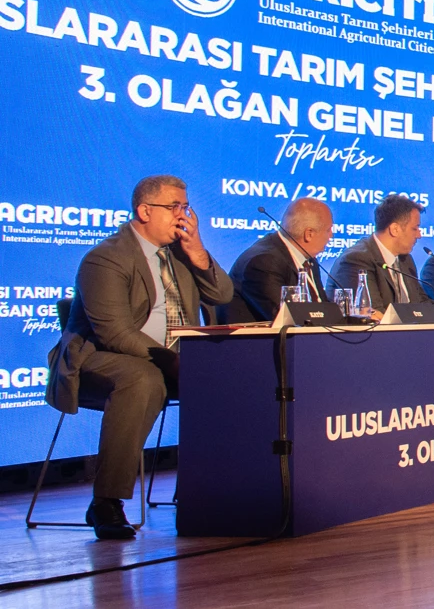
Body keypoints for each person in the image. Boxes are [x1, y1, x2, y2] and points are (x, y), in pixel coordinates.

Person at [45, 175, 233, 539]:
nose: (183, 216)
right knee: (141, 379)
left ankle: (207, 491)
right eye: (174, 207)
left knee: (242, 375)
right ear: (145, 211)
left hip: (169, 358)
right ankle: (106, 502)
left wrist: (197, 251)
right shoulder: (106, 258)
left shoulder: (180, 254)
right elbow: (114, 334)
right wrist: (171, 362)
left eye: (186, 207)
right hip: (97, 358)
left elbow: (222, 295)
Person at [222, 198, 333, 323]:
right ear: (309, 234)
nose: (331, 235)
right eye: (328, 230)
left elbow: (322, 307)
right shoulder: (264, 262)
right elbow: (285, 318)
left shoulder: (308, 259)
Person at [330, 194, 428, 315]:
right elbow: (372, 313)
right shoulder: (356, 260)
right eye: (415, 228)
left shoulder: (405, 259)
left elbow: (423, 304)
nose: (419, 235)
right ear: (395, 229)